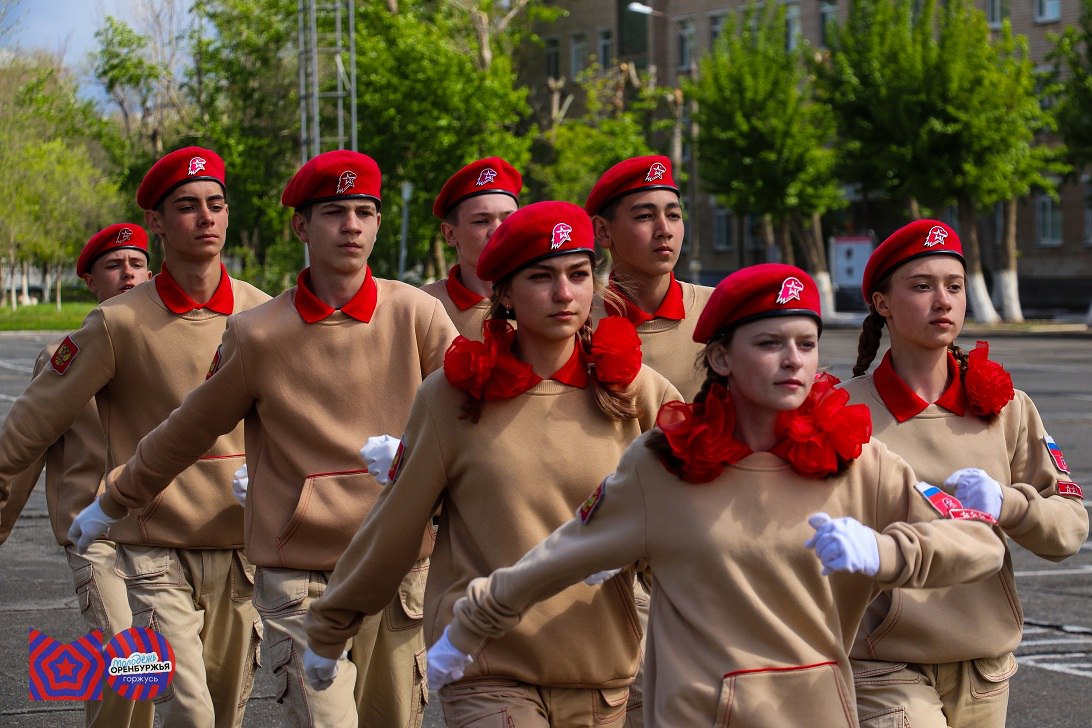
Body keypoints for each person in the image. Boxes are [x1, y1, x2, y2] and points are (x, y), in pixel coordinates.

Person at [427, 263, 1009, 727]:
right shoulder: (662, 468)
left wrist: (889, 553)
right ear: (723, 358)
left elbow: (978, 542)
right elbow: (556, 559)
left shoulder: (859, 462)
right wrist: (467, 628)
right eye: (770, 343)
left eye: (806, 344)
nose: (793, 361)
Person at [69, 150, 458, 728]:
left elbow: (476, 420)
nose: (351, 225)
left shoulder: (418, 315)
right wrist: (112, 502)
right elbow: (187, 429)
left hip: (397, 568)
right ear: (302, 226)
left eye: (364, 212)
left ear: (378, 223)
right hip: (299, 576)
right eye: (333, 212)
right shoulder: (257, 334)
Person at [304, 201, 681, 726]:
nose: (565, 293)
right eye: (541, 277)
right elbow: (394, 526)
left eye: (578, 274)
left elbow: (688, 511)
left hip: (600, 668)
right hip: (484, 666)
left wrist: (638, 551)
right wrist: (330, 629)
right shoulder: (452, 397)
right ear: (502, 292)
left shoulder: (635, 390)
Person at [0, 146, 272, 728]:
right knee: (168, 697)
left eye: (216, 205)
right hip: (139, 548)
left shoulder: (261, 315)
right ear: (158, 221)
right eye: (187, 206)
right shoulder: (117, 324)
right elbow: (27, 433)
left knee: (222, 712)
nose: (205, 218)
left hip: (238, 548)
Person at [846, 219, 1089, 727]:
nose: (943, 301)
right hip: (879, 664)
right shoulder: (842, 409)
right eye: (921, 286)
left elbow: (1069, 529)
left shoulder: (1007, 407)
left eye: (954, 287)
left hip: (983, 663)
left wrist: (1012, 504)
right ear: (881, 303)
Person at [0, 223, 155, 728]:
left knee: (154, 659)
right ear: (91, 280)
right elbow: (26, 449)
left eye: (136, 264)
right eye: (114, 266)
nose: (128, 274)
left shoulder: (165, 347)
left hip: (163, 527)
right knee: (125, 650)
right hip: (95, 533)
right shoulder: (62, 356)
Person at [586, 155, 714, 400]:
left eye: (674, 216)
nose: (665, 230)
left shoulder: (717, 311)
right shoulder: (579, 323)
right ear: (603, 231)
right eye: (645, 216)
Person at [421, 157, 521, 339]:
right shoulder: (422, 307)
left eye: (509, 220)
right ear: (450, 234)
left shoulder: (547, 300)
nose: (498, 231)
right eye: (481, 221)